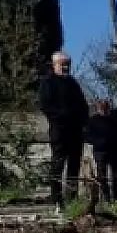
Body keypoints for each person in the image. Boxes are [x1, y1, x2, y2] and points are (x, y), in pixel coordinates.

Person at [37, 51, 90, 213]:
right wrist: (62, 117)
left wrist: (83, 122)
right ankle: (57, 199)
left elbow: (83, 105)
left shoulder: (73, 83)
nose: (66, 67)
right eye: (62, 64)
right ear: (54, 65)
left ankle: (71, 198)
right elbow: (46, 106)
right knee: (58, 165)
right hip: (59, 131)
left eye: (68, 64)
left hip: (75, 132)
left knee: (74, 167)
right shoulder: (48, 82)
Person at [84, 98, 116, 201]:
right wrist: (99, 141)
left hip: (112, 149)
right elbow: (87, 137)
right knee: (101, 174)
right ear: (98, 108)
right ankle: (105, 197)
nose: (104, 109)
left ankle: (116, 195)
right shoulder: (93, 121)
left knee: (115, 174)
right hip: (99, 151)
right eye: (102, 107)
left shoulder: (113, 120)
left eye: (106, 107)